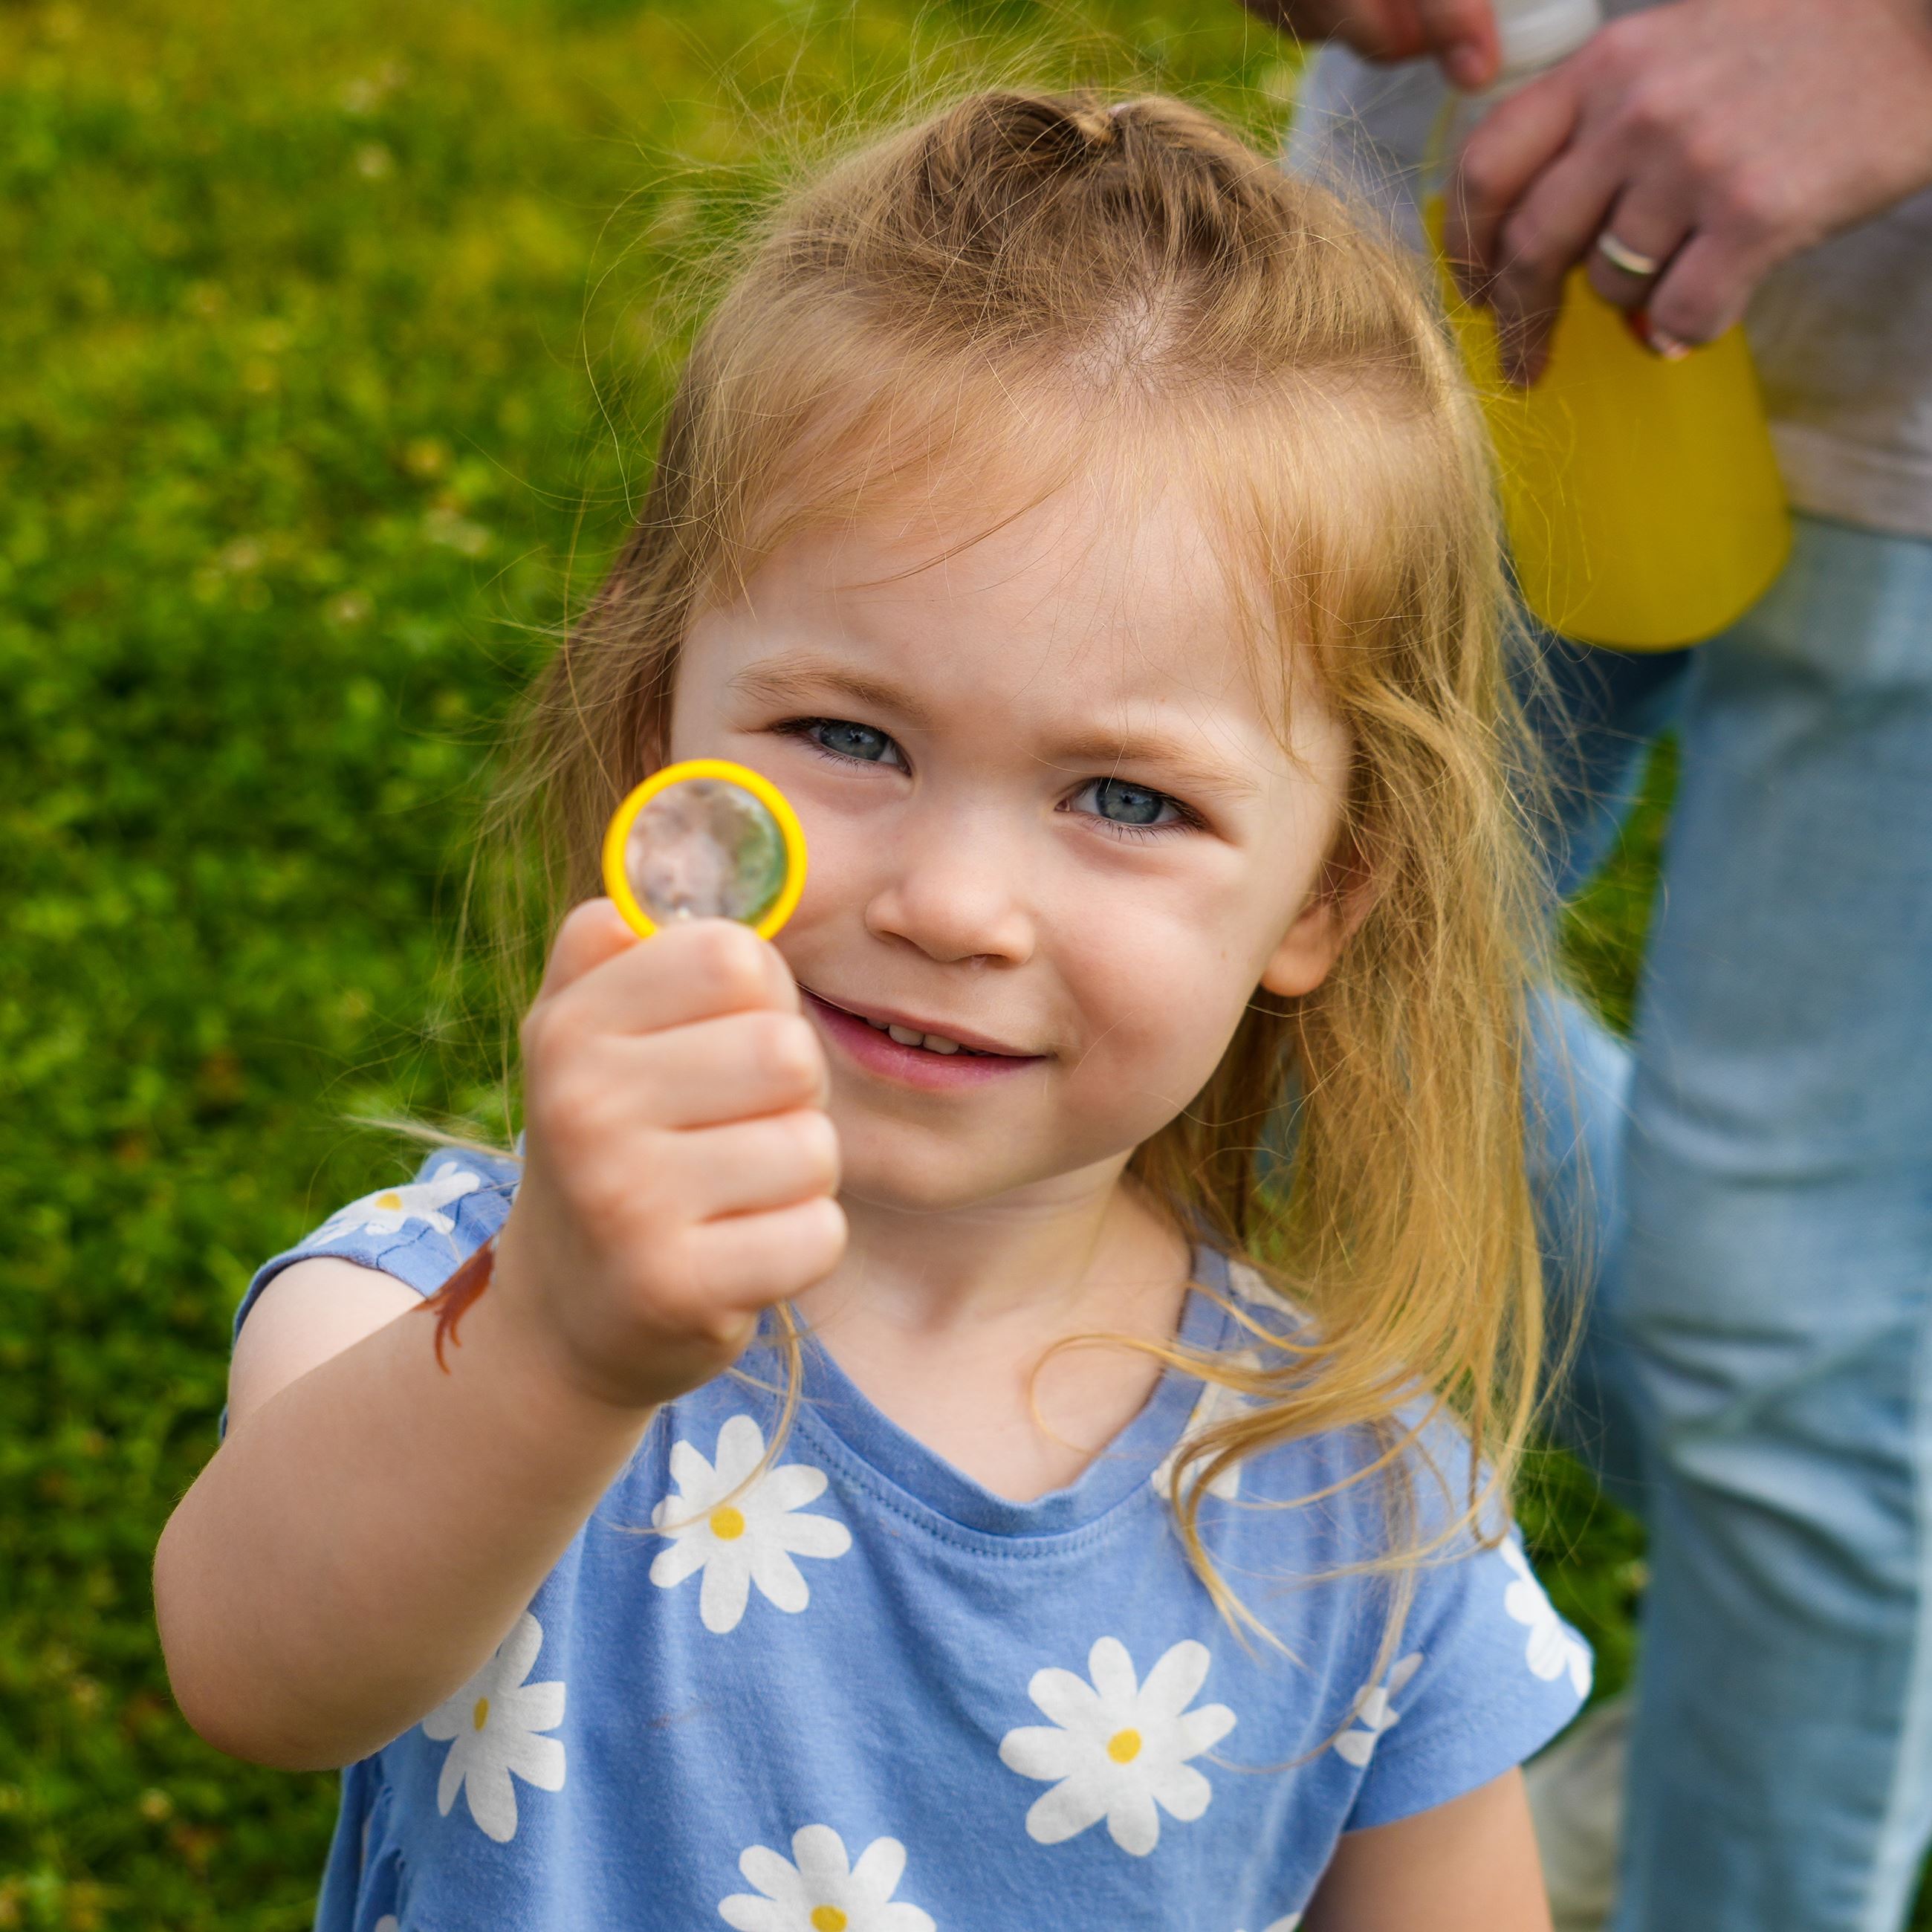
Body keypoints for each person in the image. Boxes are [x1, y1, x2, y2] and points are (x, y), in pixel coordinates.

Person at [151, 91, 1593, 1930]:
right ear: (651, 726)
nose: (949, 903)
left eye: (1127, 800)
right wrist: (561, 1349)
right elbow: (258, 1671)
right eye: (851, 737)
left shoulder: (1358, 1502)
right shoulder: (442, 1302)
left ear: (1321, 892)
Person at [1246, 3, 1932, 1928]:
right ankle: (1834, 1556)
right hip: (1469, 263)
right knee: (1264, 1019)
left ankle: (1806, 1638)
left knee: (1787, 1342)